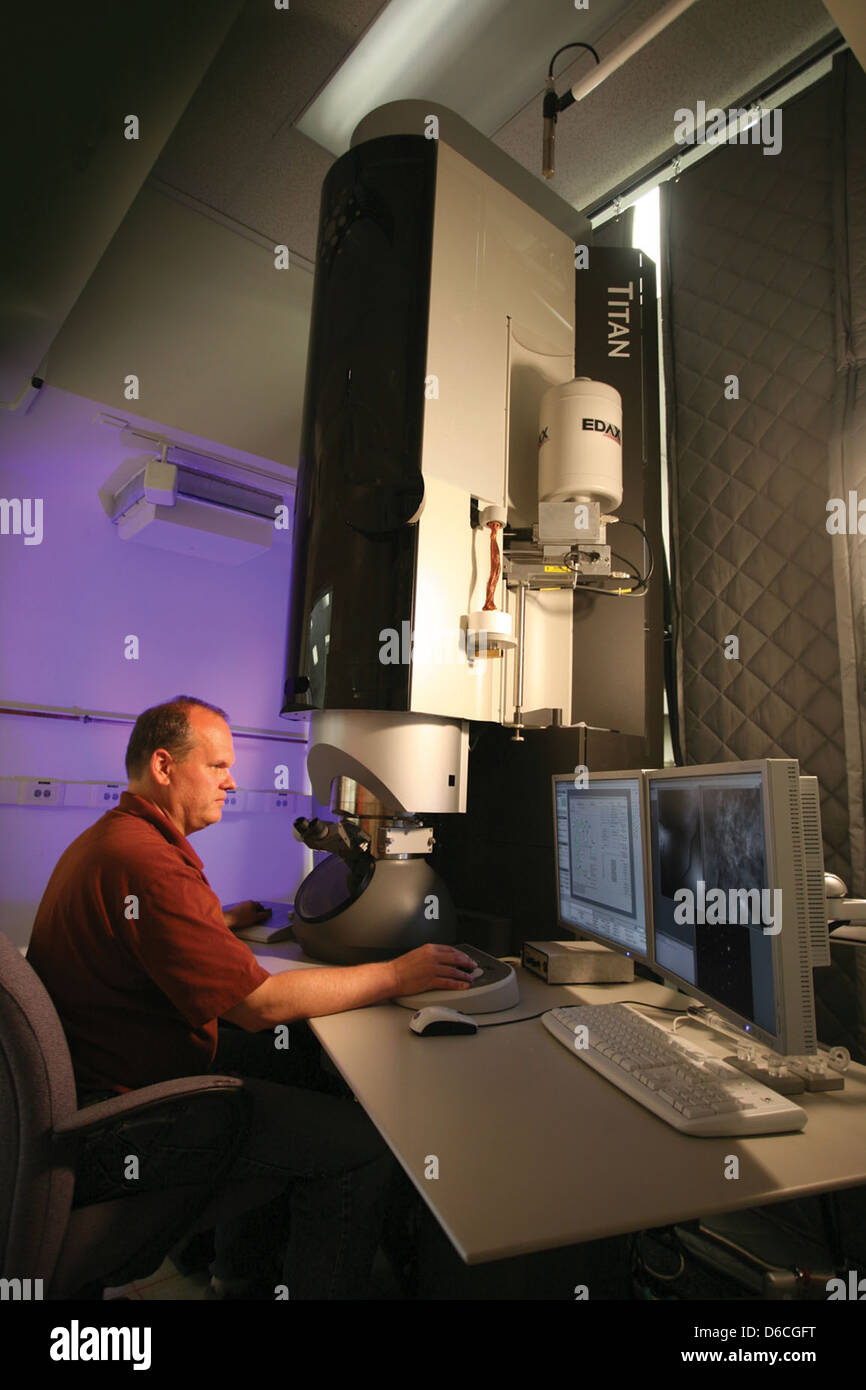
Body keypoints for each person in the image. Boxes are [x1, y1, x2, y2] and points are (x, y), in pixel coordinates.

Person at [27, 694, 475, 1299]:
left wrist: (214, 922)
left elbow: (148, 940)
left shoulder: (117, 840)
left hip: (100, 1086)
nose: (231, 781)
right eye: (216, 767)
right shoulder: (151, 866)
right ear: (164, 767)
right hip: (128, 1117)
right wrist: (397, 975)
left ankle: (236, 1277)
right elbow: (258, 1005)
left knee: (295, 1065)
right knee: (361, 1148)